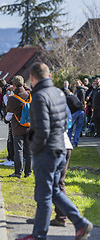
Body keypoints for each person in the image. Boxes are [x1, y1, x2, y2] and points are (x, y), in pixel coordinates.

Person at [17, 62, 92, 240]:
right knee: (54, 192)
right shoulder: (59, 93)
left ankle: (39, 235)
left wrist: (34, 149)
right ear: (49, 76)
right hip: (60, 148)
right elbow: (66, 120)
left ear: (33, 79)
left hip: (46, 150)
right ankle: (80, 223)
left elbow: (41, 129)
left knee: (43, 195)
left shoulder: (39, 97)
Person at [6, 75, 32, 178]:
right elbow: (30, 90)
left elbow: (8, 111)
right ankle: (28, 172)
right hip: (29, 126)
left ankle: (18, 172)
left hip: (17, 127)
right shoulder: (29, 95)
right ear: (23, 83)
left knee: (19, 151)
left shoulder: (12, 98)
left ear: (13, 85)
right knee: (29, 151)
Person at [0, 78, 14, 167]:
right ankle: (10, 158)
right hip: (15, 119)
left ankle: (11, 158)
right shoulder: (10, 90)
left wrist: (6, 118)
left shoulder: (5, 94)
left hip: (12, 120)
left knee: (10, 140)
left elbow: (9, 107)